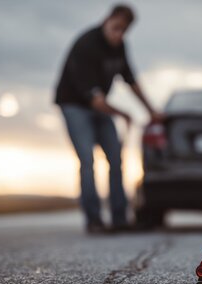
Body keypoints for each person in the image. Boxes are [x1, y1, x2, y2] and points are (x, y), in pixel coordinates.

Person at [54, 4, 162, 233]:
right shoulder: (86, 44)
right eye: (116, 28)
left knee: (116, 158)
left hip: (102, 107)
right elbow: (96, 100)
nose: (119, 34)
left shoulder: (120, 47)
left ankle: (119, 218)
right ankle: (93, 220)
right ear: (107, 20)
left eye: (124, 31)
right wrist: (125, 114)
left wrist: (150, 110)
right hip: (75, 105)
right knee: (87, 160)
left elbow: (131, 81)